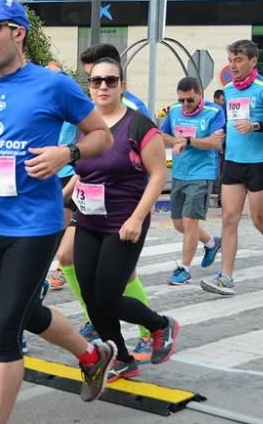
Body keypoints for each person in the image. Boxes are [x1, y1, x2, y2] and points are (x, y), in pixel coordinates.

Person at [0, 0, 116, 424]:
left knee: (5, 330)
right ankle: (92, 354)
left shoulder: (54, 85)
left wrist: (67, 154)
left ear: (17, 33)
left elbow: (100, 136)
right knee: (11, 301)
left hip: (37, 225)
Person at [68, 57, 180, 382]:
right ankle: (121, 357)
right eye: (96, 81)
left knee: (107, 295)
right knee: (90, 297)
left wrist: (136, 218)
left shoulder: (139, 125)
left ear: (122, 85)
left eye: (111, 80)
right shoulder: (85, 127)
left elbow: (158, 175)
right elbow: (84, 173)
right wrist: (60, 195)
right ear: (89, 86)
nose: (103, 86)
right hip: (89, 219)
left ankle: (161, 325)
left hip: (124, 221)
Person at [200, 39, 263, 296]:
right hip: (233, 161)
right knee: (229, 218)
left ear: (253, 61)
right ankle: (226, 277)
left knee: (260, 220)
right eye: (230, 60)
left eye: (239, 60)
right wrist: (220, 136)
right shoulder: (229, 89)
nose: (233, 65)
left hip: (259, 163)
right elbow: (230, 122)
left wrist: (256, 125)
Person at [159, 77, 225, 285]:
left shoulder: (215, 112)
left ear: (200, 94)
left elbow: (215, 143)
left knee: (189, 222)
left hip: (202, 173)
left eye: (190, 100)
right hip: (180, 172)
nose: (185, 105)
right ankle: (211, 242)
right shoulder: (175, 111)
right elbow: (162, 135)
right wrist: (176, 141)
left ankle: (184, 269)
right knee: (179, 223)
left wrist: (187, 141)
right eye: (182, 100)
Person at [79, 43, 152, 117]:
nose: (101, 86)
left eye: (98, 78)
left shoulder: (135, 109)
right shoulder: (87, 109)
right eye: (90, 77)